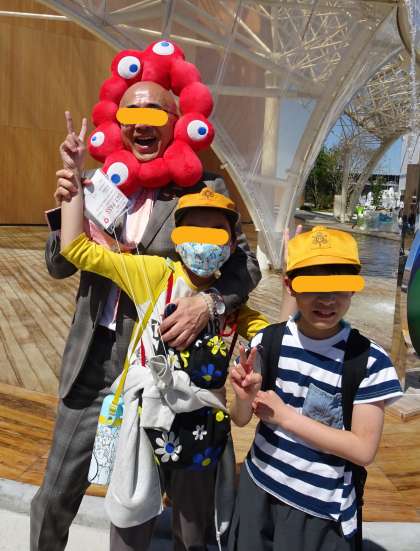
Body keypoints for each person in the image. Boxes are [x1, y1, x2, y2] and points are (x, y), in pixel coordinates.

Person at [30, 82, 261, 551]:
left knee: (185, 508)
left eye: (155, 114)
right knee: (55, 495)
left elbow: (246, 267)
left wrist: (208, 303)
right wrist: (69, 200)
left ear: (176, 123)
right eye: (131, 115)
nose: (141, 124)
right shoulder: (98, 180)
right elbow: (59, 264)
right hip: (95, 361)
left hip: (172, 367)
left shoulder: (202, 188)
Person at [59, 177, 269, 548]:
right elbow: (78, 250)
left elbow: (275, 336)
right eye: (194, 228)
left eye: (216, 231)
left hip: (201, 431)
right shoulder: (153, 273)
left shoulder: (231, 306)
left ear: (231, 244)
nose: (203, 241)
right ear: (177, 235)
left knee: (192, 531)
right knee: (129, 522)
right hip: (144, 421)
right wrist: (73, 191)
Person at [228, 226, 403, 551]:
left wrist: (286, 417)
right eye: (313, 287)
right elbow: (240, 418)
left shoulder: (368, 361)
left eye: (339, 287)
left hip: (319, 509)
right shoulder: (268, 341)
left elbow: (363, 450)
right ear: (290, 286)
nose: (327, 299)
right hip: (259, 485)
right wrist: (243, 398)